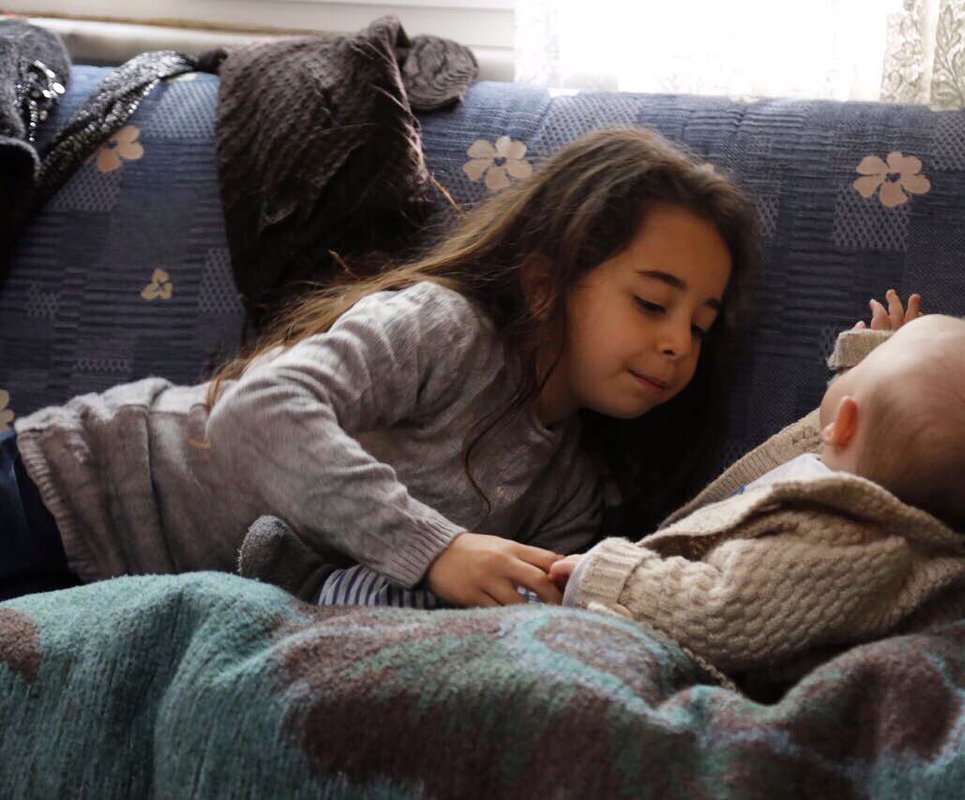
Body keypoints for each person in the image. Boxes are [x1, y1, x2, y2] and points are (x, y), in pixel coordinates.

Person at [0, 126, 758, 606]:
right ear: (544, 282)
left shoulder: (569, 488)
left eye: (701, 325)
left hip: (126, 598)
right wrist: (437, 549)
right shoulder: (445, 328)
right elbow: (256, 411)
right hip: (62, 494)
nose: (678, 345)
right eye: (652, 304)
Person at [547, 291, 965, 681]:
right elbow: (851, 431)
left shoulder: (837, 543)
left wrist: (612, 574)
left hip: (681, 657)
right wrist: (878, 364)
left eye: (866, 371)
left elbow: (722, 612)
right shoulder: (882, 508)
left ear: (845, 423)